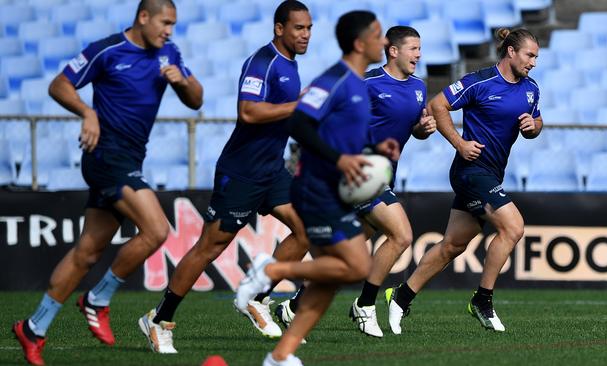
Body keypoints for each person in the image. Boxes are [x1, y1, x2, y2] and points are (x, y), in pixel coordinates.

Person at [12, 1, 203, 365]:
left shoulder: (170, 52)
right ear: (143, 17)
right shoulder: (107, 50)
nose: (169, 31)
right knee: (157, 230)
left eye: (174, 25)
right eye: (165, 22)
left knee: (88, 251)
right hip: (106, 155)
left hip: (130, 158)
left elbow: (196, 101)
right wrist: (88, 112)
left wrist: (184, 81)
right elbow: (59, 84)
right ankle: (98, 299)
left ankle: (33, 328)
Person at [137, 0, 312, 354]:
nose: (305, 35)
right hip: (242, 172)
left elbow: (282, 118)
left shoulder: (291, 66)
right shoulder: (262, 62)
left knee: (307, 227)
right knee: (210, 248)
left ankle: (256, 297)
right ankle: (159, 319)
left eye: (309, 28)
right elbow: (248, 112)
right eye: (298, 28)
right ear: (279, 28)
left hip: (272, 169)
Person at [236, 10, 399, 366]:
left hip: (335, 191)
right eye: (377, 34)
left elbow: (338, 138)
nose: (384, 41)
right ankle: (271, 271)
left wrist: (374, 152)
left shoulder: (357, 83)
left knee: (330, 281)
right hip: (316, 189)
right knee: (355, 268)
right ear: (359, 43)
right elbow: (300, 122)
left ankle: (281, 356)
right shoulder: (337, 79)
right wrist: (340, 161)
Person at [273, 25, 436, 338]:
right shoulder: (369, 82)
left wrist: (422, 128)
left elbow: (410, 127)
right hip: (358, 174)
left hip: (383, 174)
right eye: (413, 48)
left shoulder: (418, 87)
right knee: (401, 235)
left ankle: (293, 308)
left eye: (420, 48)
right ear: (393, 50)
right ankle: (365, 304)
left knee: (345, 259)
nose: (419, 54)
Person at [385, 27, 543, 334]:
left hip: (492, 173)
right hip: (470, 171)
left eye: (536, 56)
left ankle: (400, 297)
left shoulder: (531, 88)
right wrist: (459, 143)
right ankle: (483, 300)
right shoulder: (480, 81)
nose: (533, 62)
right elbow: (437, 105)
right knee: (513, 227)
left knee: (452, 245)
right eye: (530, 55)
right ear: (511, 52)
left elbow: (537, 121)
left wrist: (532, 126)